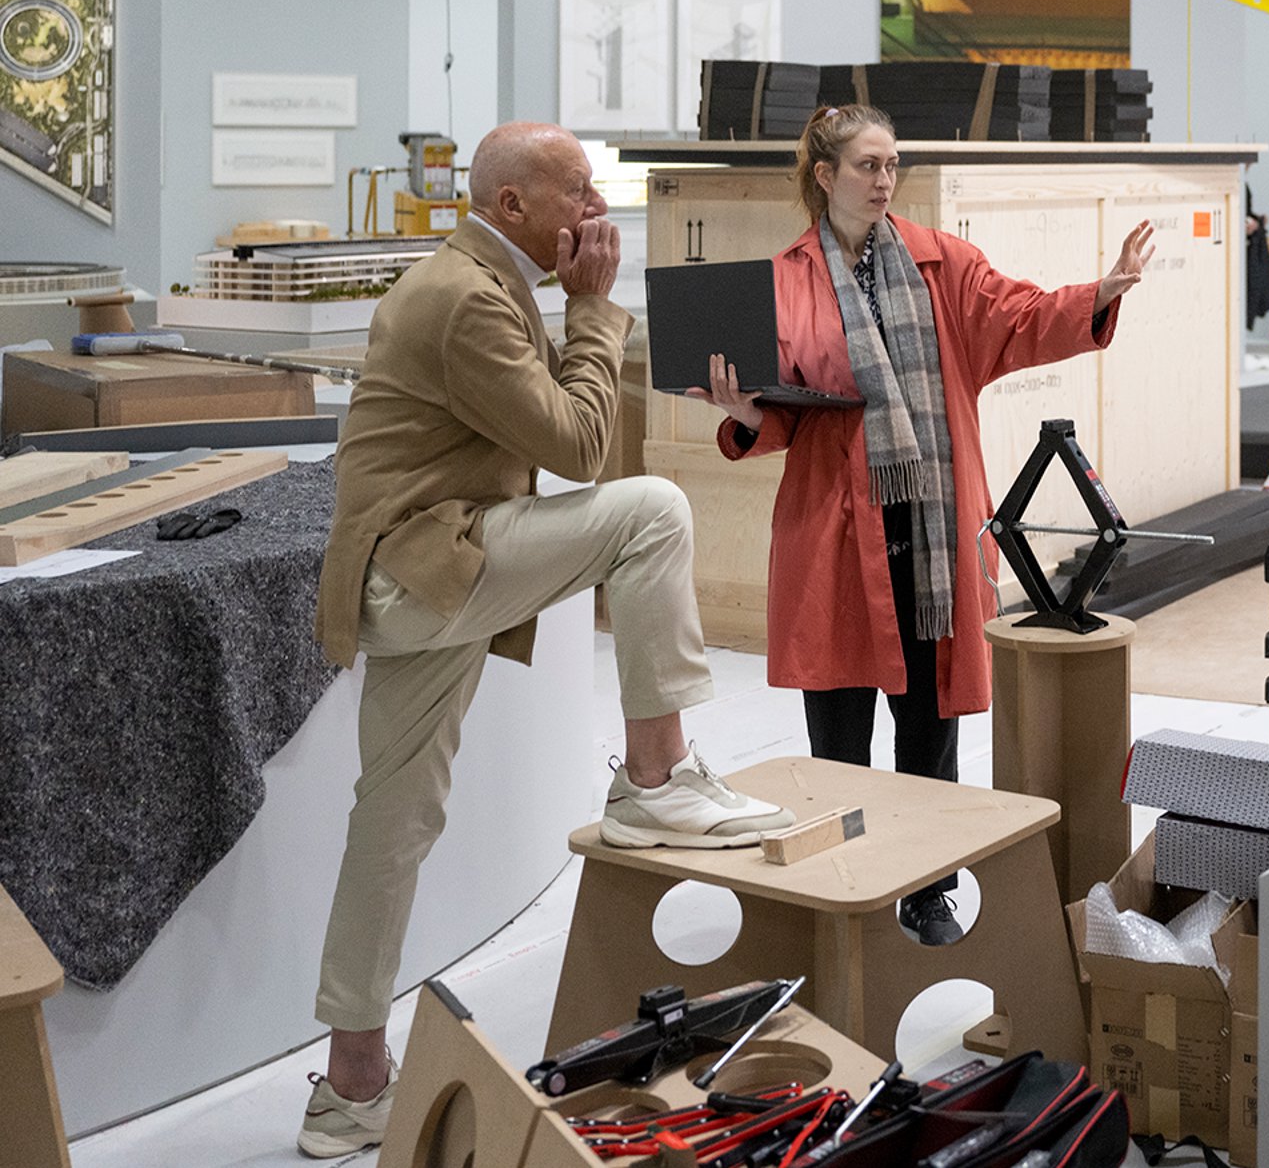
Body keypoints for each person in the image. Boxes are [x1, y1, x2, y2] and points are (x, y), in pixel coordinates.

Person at [300, 122, 794, 1158]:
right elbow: (576, 443)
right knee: (651, 507)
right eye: (576, 191)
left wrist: (578, 312)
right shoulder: (470, 299)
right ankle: (655, 777)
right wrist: (592, 309)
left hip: (414, 572)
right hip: (427, 566)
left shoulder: (473, 278)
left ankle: (350, 1083)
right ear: (513, 204)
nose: (593, 211)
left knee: (391, 820)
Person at [694, 104, 1154, 946]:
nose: (884, 178)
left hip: (932, 532)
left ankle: (926, 890)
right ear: (825, 176)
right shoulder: (785, 279)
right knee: (836, 732)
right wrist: (743, 409)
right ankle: (840, 885)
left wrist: (1100, 293)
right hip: (835, 534)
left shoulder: (945, 266)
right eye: (868, 164)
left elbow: (1019, 317)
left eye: (892, 163)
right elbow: (780, 416)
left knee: (928, 723)